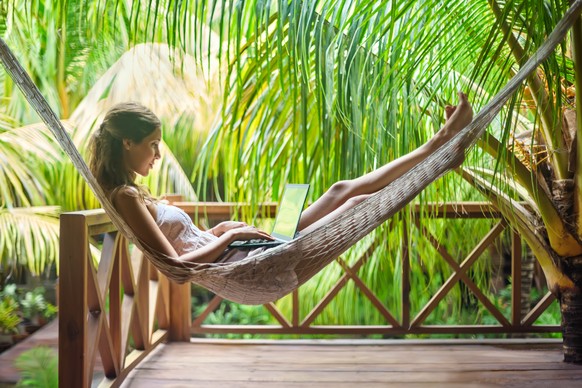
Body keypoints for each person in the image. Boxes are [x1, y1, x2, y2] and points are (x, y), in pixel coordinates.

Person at [89, 92, 473, 264]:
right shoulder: (126, 197)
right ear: (127, 142)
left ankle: (439, 147)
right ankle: (440, 153)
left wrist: (221, 229)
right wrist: (230, 236)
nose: (158, 154)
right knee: (355, 203)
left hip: (247, 252)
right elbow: (178, 268)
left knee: (340, 190)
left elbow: (186, 243)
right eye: (153, 145)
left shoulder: (133, 192)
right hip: (246, 261)